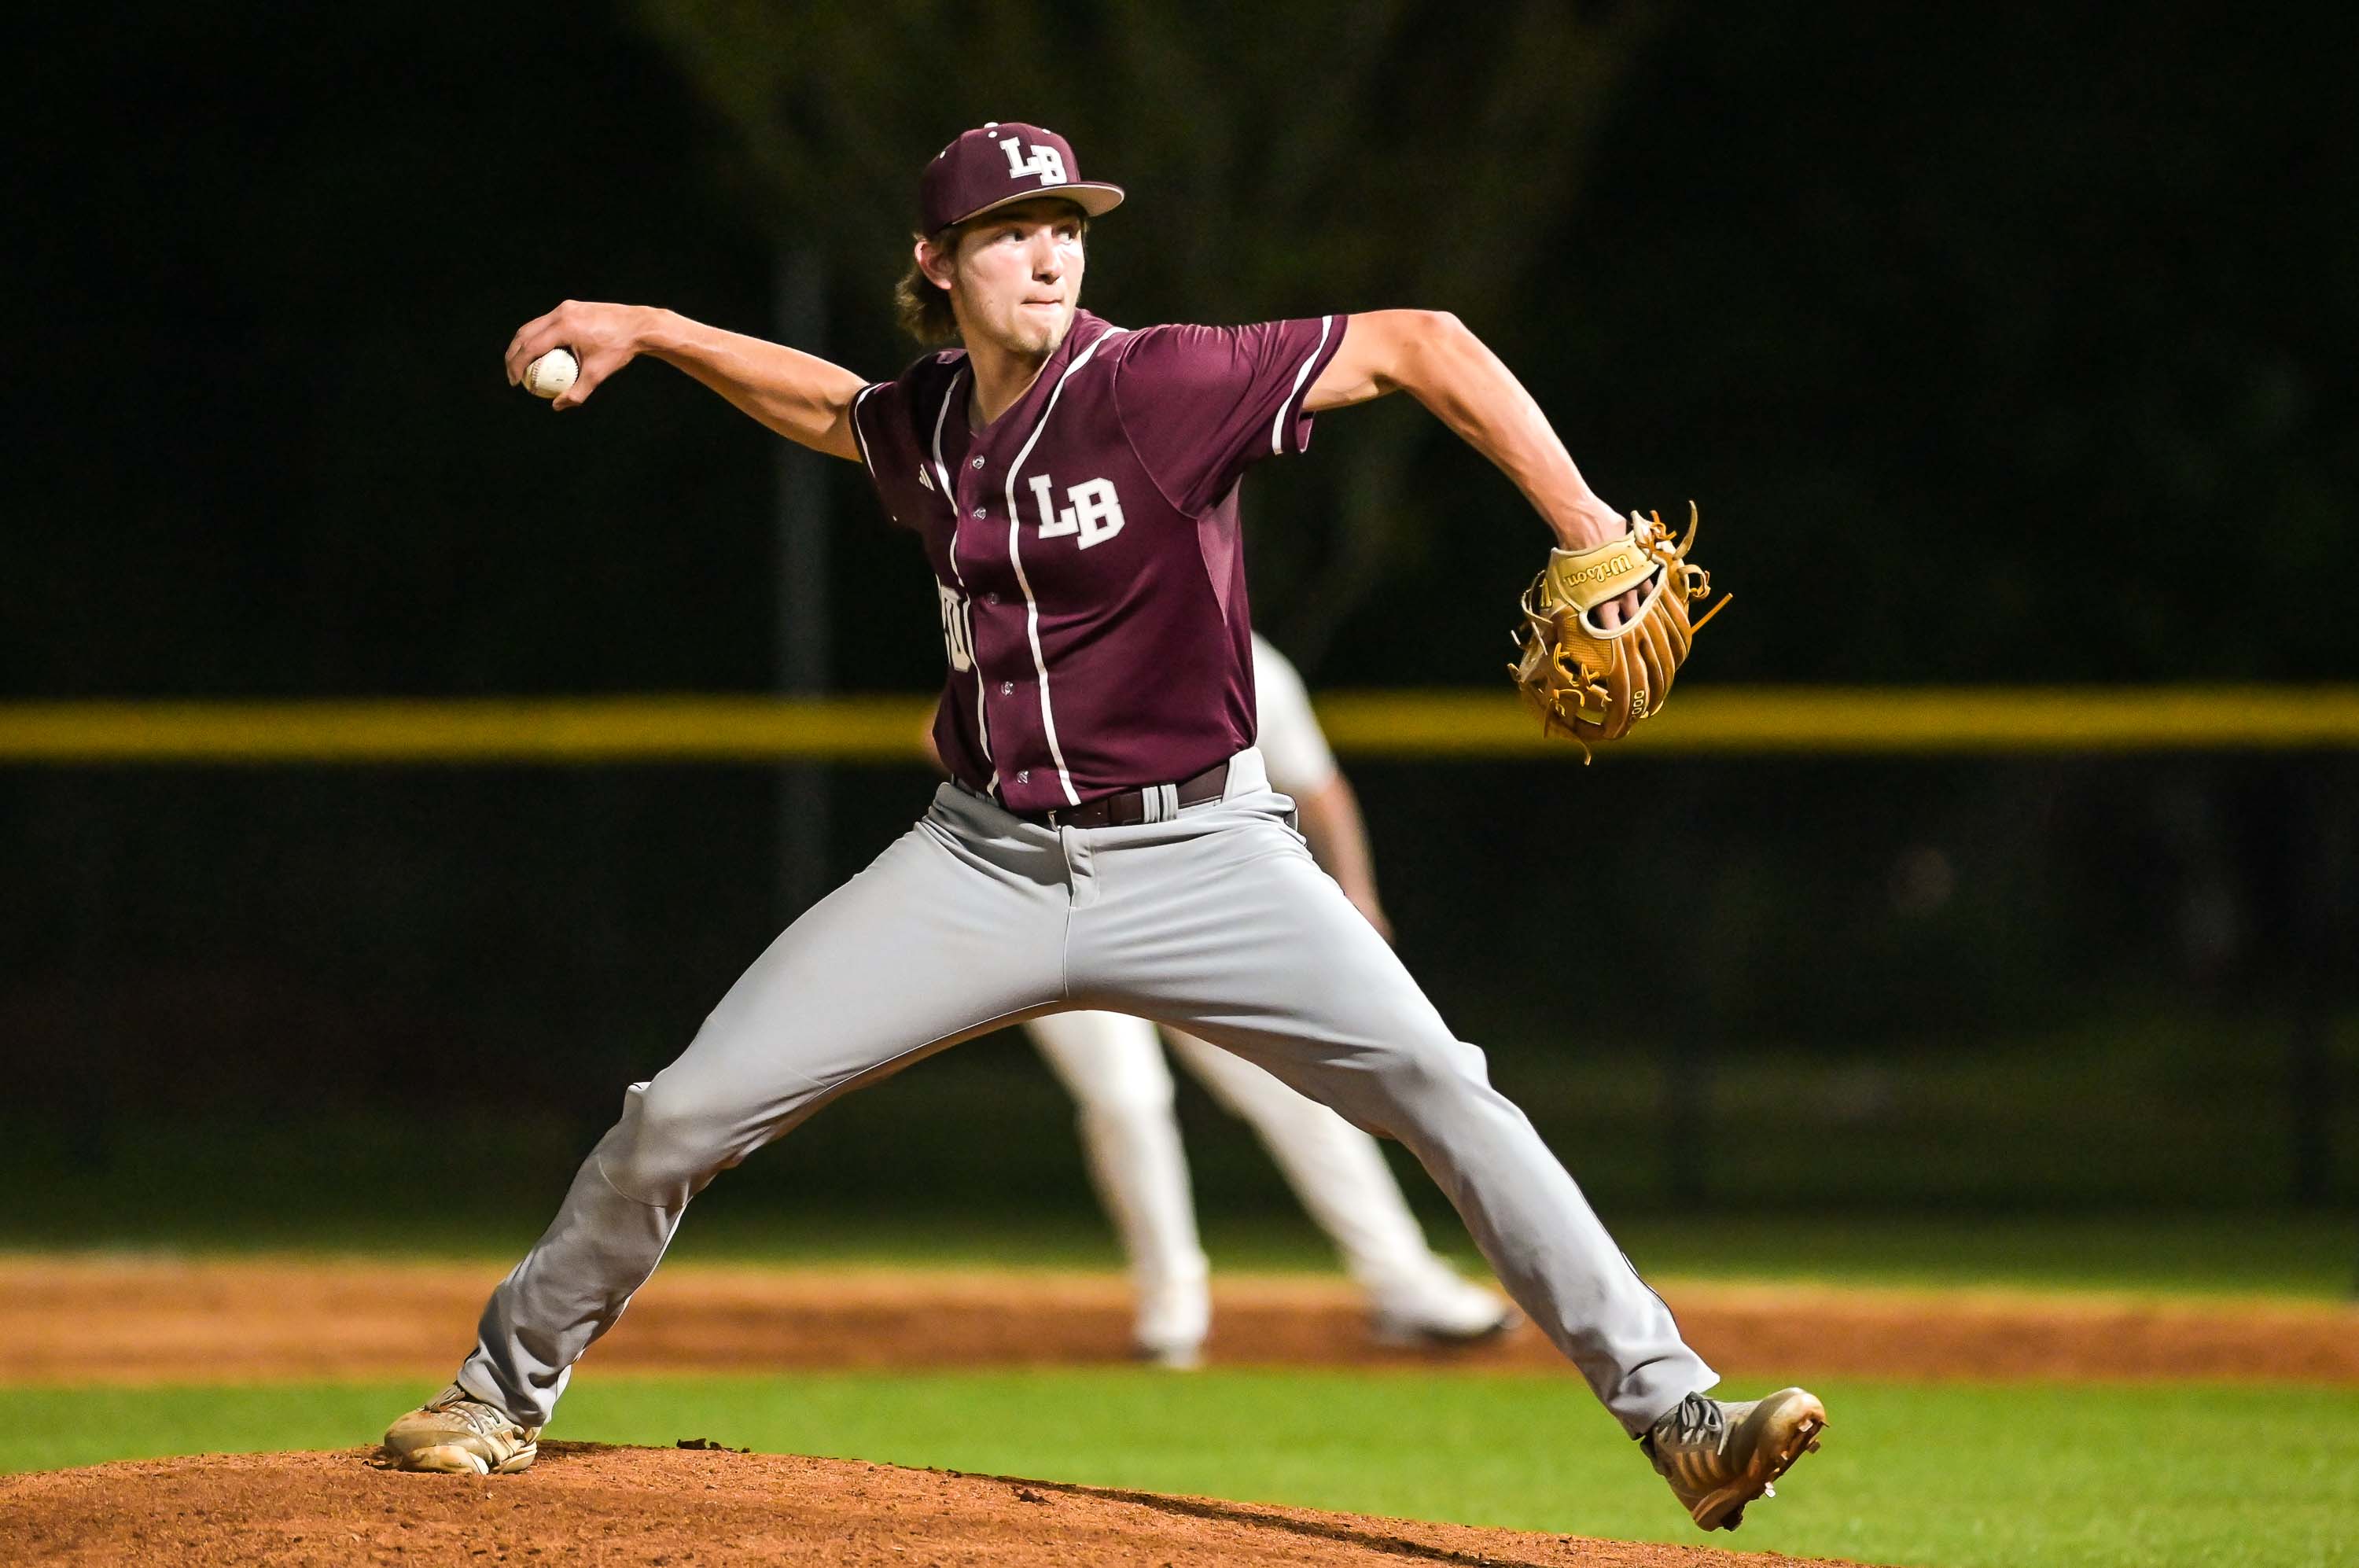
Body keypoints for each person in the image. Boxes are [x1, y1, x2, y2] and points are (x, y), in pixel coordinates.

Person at [384, 120, 1826, 1533]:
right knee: (682, 1112)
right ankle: (496, 1392)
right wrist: (657, 327)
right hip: (981, 858)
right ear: (938, 260)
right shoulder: (937, 421)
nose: (1050, 254)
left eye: (1067, 226)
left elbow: (1426, 341)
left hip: (1208, 855)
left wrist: (1582, 522)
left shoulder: (1162, 383)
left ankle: (1681, 1419)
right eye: (1014, 230)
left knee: (1448, 1090)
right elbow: (837, 413)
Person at [1023, 632, 1513, 1366]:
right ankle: (1172, 1309)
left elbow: (1319, 789)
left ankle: (1403, 1282)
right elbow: (946, 737)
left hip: (1193, 914)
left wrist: (1360, 896)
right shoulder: (1059, 631)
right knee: (1127, 1098)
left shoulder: (1246, 658)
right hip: (1059, 906)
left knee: (1295, 1091)